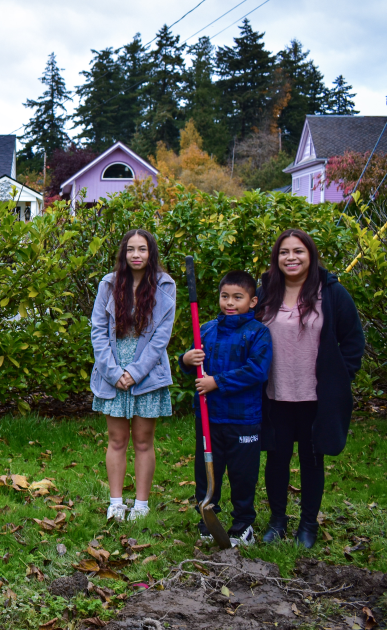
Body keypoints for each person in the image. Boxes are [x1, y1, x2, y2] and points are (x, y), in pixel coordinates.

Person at [256, 229, 364, 548]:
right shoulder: (266, 292)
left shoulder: (330, 293)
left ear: (310, 255)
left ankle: (307, 526)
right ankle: (277, 522)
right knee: (276, 460)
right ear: (277, 259)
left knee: (312, 460)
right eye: (284, 252)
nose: (292, 257)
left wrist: (339, 379)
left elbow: (353, 342)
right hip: (275, 395)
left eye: (299, 251)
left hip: (315, 398)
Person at [180, 271, 272, 546]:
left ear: (252, 301)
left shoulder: (258, 333)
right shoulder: (206, 330)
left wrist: (217, 382)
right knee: (207, 469)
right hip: (209, 417)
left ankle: (244, 523)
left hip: (243, 419)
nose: (229, 303)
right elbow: (191, 368)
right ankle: (208, 517)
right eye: (224, 296)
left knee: (243, 473)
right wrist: (186, 359)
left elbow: (257, 370)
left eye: (237, 297)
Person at [90, 229, 175, 522]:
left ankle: (140, 505)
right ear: (123, 253)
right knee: (116, 439)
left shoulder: (165, 286)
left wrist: (135, 373)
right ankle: (116, 503)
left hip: (147, 373)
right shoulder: (109, 285)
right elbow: (98, 331)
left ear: (151, 253)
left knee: (143, 440)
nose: (136, 255)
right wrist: (114, 373)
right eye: (130, 249)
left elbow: (161, 338)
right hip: (111, 370)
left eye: (142, 249)